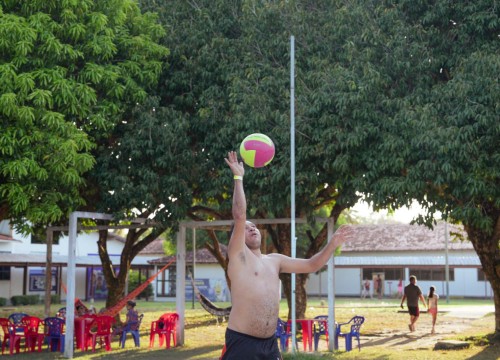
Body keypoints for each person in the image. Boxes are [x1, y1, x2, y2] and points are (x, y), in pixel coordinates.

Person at [221, 151, 346, 360]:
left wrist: (331, 244)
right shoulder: (238, 257)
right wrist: (238, 178)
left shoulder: (275, 260)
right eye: (246, 228)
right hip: (243, 343)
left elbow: (311, 265)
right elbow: (240, 215)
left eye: (255, 227)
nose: (252, 229)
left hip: (270, 345)